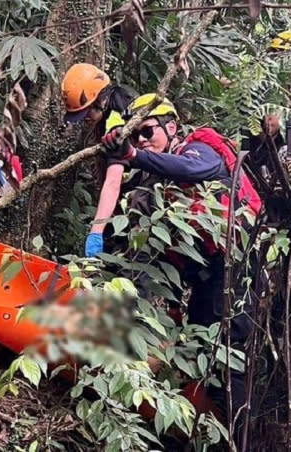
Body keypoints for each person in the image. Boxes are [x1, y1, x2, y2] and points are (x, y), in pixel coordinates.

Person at [100, 93, 260, 426]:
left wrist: (134, 154)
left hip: (233, 275)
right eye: (136, 135)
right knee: (203, 352)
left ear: (171, 127)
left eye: (147, 132)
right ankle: (205, 431)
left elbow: (195, 168)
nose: (143, 141)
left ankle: (239, 435)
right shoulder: (158, 179)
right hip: (205, 280)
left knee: (229, 360)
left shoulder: (195, 149)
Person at [60, 63, 133, 257]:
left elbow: (113, 181)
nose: (85, 119)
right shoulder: (118, 107)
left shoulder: (116, 123)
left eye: (87, 112)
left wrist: (96, 231)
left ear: (100, 100)